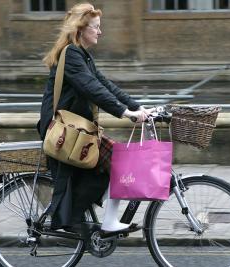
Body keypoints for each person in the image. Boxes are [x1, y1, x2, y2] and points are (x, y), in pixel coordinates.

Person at [38, 2, 151, 233]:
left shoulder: (83, 56)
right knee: (119, 161)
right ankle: (100, 222)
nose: (100, 32)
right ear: (81, 30)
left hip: (77, 128)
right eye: (96, 27)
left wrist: (138, 106)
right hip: (61, 129)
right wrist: (124, 113)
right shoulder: (70, 55)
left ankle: (78, 218)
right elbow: (92, 89)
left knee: (112, 164)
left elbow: (105, 85)